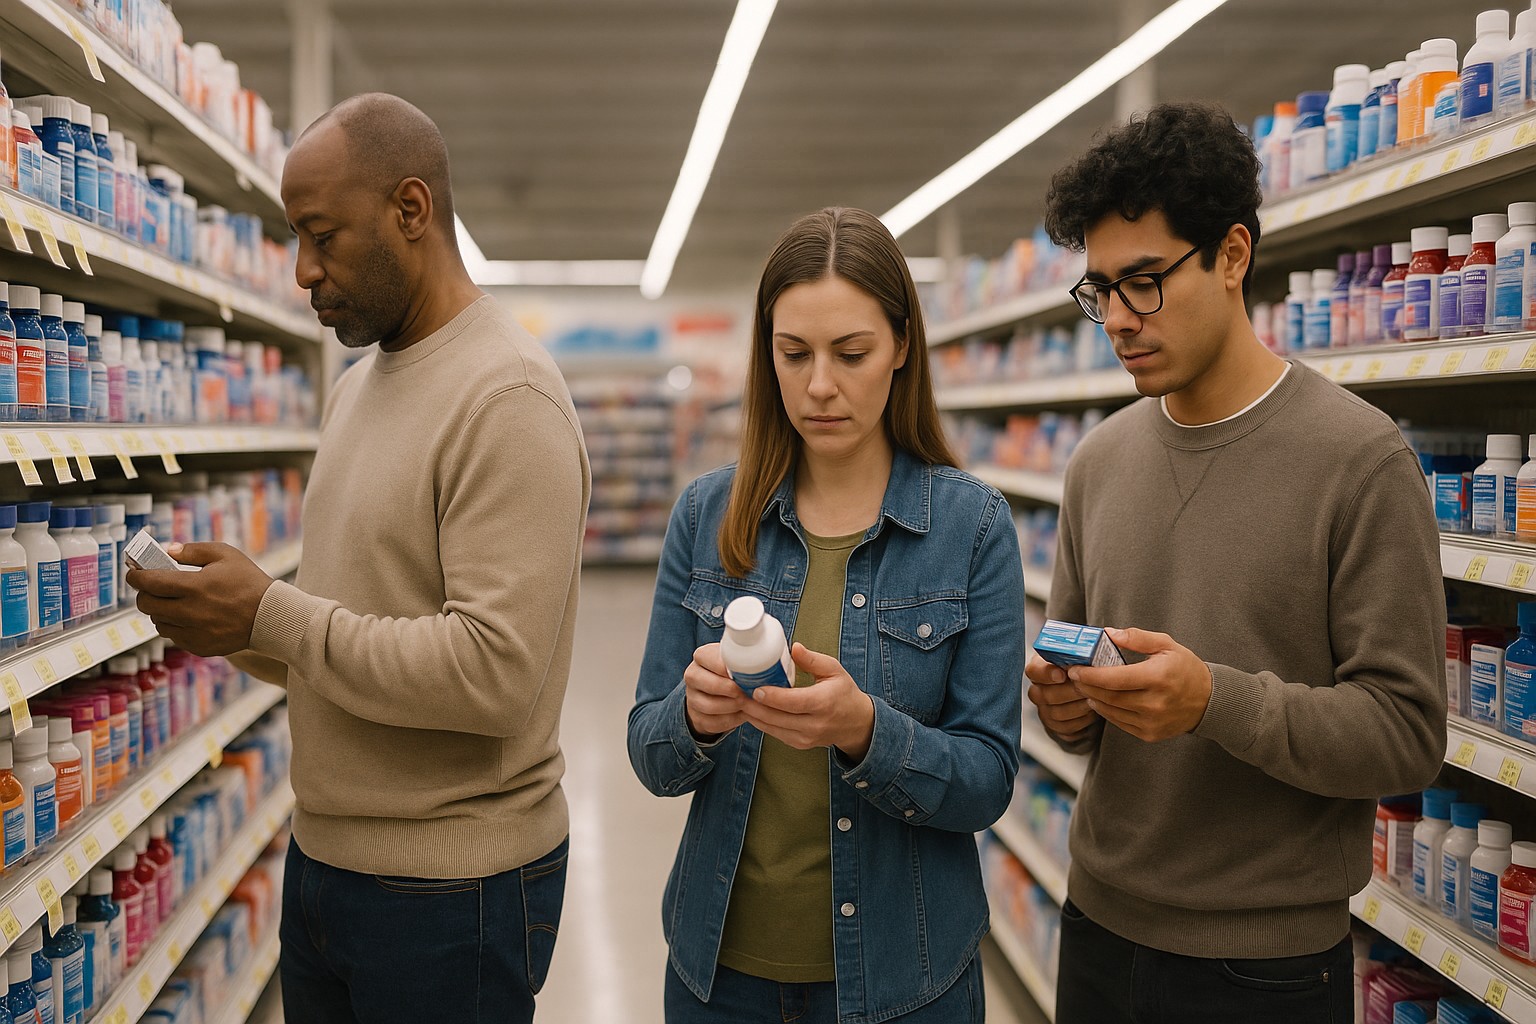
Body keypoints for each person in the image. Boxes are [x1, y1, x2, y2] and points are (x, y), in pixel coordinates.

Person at [125, 93, 589, 1024]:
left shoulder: (509, 397)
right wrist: (232, 623)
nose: (303, 270)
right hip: (324, 867)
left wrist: (273, 612)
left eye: (322, 235)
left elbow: (493, 675)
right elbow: (347, 629)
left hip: (452, 891)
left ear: (411, 209)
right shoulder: (353, 390)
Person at [1029, 102, 1446, 1023]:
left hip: (1266, 970)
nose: (1118, 320)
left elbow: (1408, 733)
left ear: (1231, 254)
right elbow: (1084, 727)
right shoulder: (1098, 462)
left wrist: (1213, 701)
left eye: (1145, 282)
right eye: (1100, 291)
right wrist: (1067, 708)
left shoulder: (1360, 461)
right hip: (1097, 929)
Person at [628, 207, 1024, 1024]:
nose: (818, 386)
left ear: (902, 346)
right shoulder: (708, 515)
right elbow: (649, 753)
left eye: (851, 354)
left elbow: (987, 780)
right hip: (719, 978)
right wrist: (693, 719)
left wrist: (868, 733)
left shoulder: (972, 528)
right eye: (793, 353)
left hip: (905, 981)